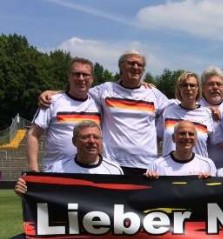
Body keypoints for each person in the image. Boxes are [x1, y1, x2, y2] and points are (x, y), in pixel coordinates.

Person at [4, 120, 122, 239]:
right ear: (74, 142)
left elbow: (121, 206)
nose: (91, 141)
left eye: (96, 137)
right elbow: (42, 201)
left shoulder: (115, 170)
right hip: (63, 231)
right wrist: (24, 192)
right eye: (85, 137)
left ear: (101, 141)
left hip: (102, 232)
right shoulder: (57, 168)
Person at [39, 50, 171, 175]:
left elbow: (173, 108)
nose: (135, 67)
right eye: (131, 63)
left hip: (145, 164)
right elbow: (80, 89)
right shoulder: (106, 90)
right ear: (121, 67)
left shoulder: (154, 94)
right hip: (113, 162)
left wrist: (158, 135)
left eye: (140, 65)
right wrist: (54, 93)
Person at [26, 57, 101, 172]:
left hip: (91, 172)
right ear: (69, 77)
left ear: (92, 79)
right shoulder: (52, 102)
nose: (81, 78)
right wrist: (33, 169)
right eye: (76, 74)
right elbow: (33, 135)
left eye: (85, 75)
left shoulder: (99, 103)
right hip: (58, 172)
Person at [158, 72, 215, 158]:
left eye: (192, 85)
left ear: (198, 89)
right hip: (169, 168)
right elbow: (156, 137)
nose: (188, 88)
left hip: (198, 169)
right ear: (179, 88)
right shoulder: (168, 110)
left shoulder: (207, 113)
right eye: (184, 85)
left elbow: (216, 143)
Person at [146, 120, 216, 178]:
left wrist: (207, 181)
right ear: (173, 138)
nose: (187, 137)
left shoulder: (207, 164)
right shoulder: (157, 165)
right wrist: (150, 179)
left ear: (196, 139)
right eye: (182, 133)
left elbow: (214, 191)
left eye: (191, 134)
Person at [199, 66, 223, 168]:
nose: (215, 87)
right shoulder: (196, 108)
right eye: (210, 84)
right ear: (203, 87)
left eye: (219, 84)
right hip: (205, 171)